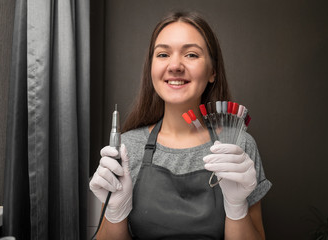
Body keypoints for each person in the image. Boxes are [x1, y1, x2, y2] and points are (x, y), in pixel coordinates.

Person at [89, 11, 272, 240]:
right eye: (163, 54)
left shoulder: (238, 146)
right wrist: (115, 213)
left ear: (212, 71)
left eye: (191, 54)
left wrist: (237, 208)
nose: (175, 65)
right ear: (151, 68)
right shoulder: (127, 149)